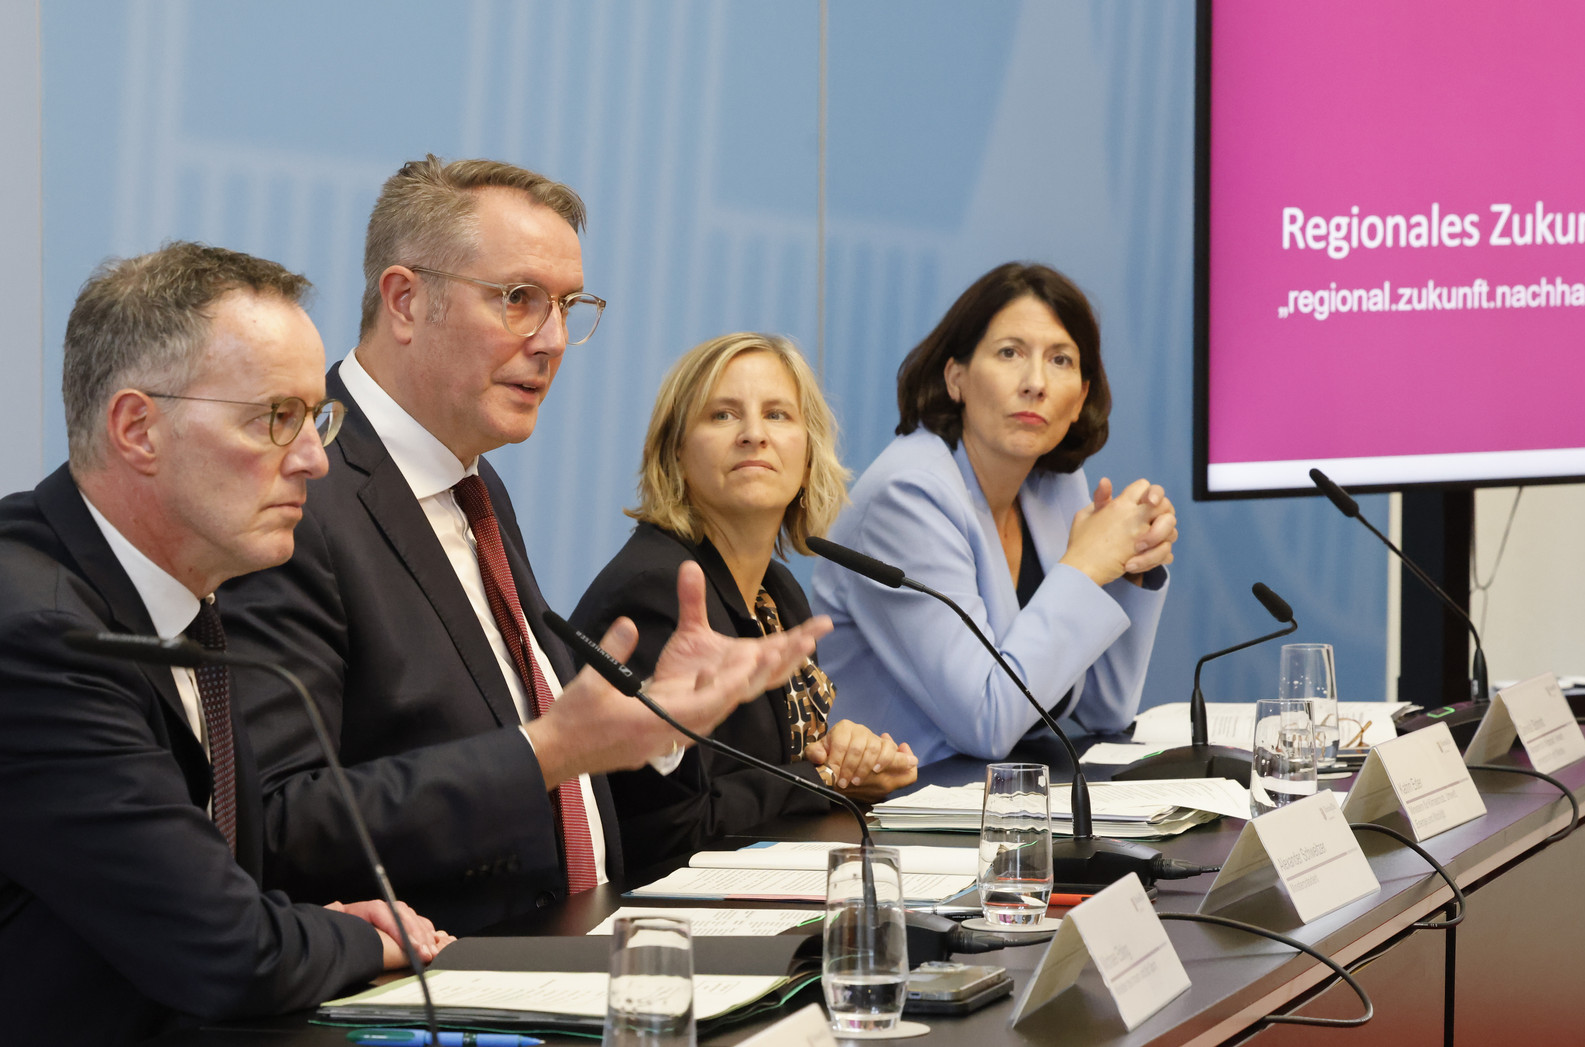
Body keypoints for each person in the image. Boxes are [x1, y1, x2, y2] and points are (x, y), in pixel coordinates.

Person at [219, 157, 828, 934]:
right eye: (519, 300)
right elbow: (280, 821)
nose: (553, 341)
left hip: (579, 949)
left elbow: (574, 783)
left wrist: (656, 726)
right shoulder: (301, 490)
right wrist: (541, 751)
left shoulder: (476, 486)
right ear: (404, 300)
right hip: (437, 981)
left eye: (568, 306)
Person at [0, 243, 452, 1041]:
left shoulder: (187, 595)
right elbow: (229, 952)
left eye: (318, 418)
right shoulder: (41, 636)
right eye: (277, 418)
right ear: (139, 428)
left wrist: (294, 926)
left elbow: (223, 906)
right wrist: (364, 937)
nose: (314, 458)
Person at [569, 334, 918, 867]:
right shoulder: (656, 592)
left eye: (778, 415)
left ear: (807, 458)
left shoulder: (779, 593)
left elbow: (781, 774)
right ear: (676, 454)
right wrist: (826, 778)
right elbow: (670, 827)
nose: (754, 435)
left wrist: (852, 760)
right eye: (723, 415)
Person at [813, 262, 1175, 764]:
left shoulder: (1054, 484)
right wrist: (1087, 565)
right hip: (896, 806)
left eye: (1061, 361)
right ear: (956, 377)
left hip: (998, 798)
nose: (1035, 383)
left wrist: (1129, 570)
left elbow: (1103, 708)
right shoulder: (908, 495)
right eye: (1010, 353)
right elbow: (986, 722)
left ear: (1081, 398)